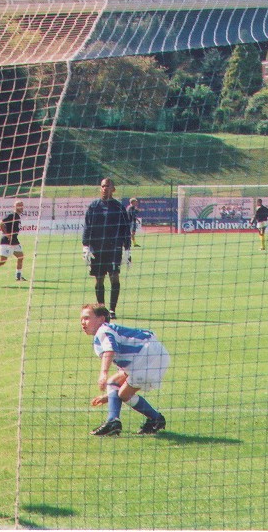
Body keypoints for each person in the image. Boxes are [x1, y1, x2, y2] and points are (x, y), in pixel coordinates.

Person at [80, 303, 169, 436]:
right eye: (81, 319)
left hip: (148, 356)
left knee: (124, 394)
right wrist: (109, 396)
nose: (83, 322)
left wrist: (103, 373)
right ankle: (153, 419)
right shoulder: (106, 331)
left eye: (87, 318)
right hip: (150, 355)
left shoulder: (103, 330)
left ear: (101, 319)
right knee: (115, 383)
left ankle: (116, 422)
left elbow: (110, 349)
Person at [82, 178, 131, 320]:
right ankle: (101, 308)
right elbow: (87, 227)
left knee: (114, 277)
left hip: (114, 249)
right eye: (103, 186)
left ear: (113, 189)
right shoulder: (94, 206)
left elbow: (125, 229)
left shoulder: (119, 207)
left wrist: (127, 250)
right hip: (97, 249)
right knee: (99, 280)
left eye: (108, 186)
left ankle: (112, 309)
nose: (105, 188)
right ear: (100, 188)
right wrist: (86, 246)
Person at [0, 199, 26, 281]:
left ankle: (18, 276)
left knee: (20, 256)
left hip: (14, 241)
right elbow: (1, 223)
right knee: (2, 261)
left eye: (22, 205)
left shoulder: (17, 216)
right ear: (15, 207)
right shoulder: (12, 215)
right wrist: (7, 235)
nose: (21, 207)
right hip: (7, 241)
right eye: (19, 205)